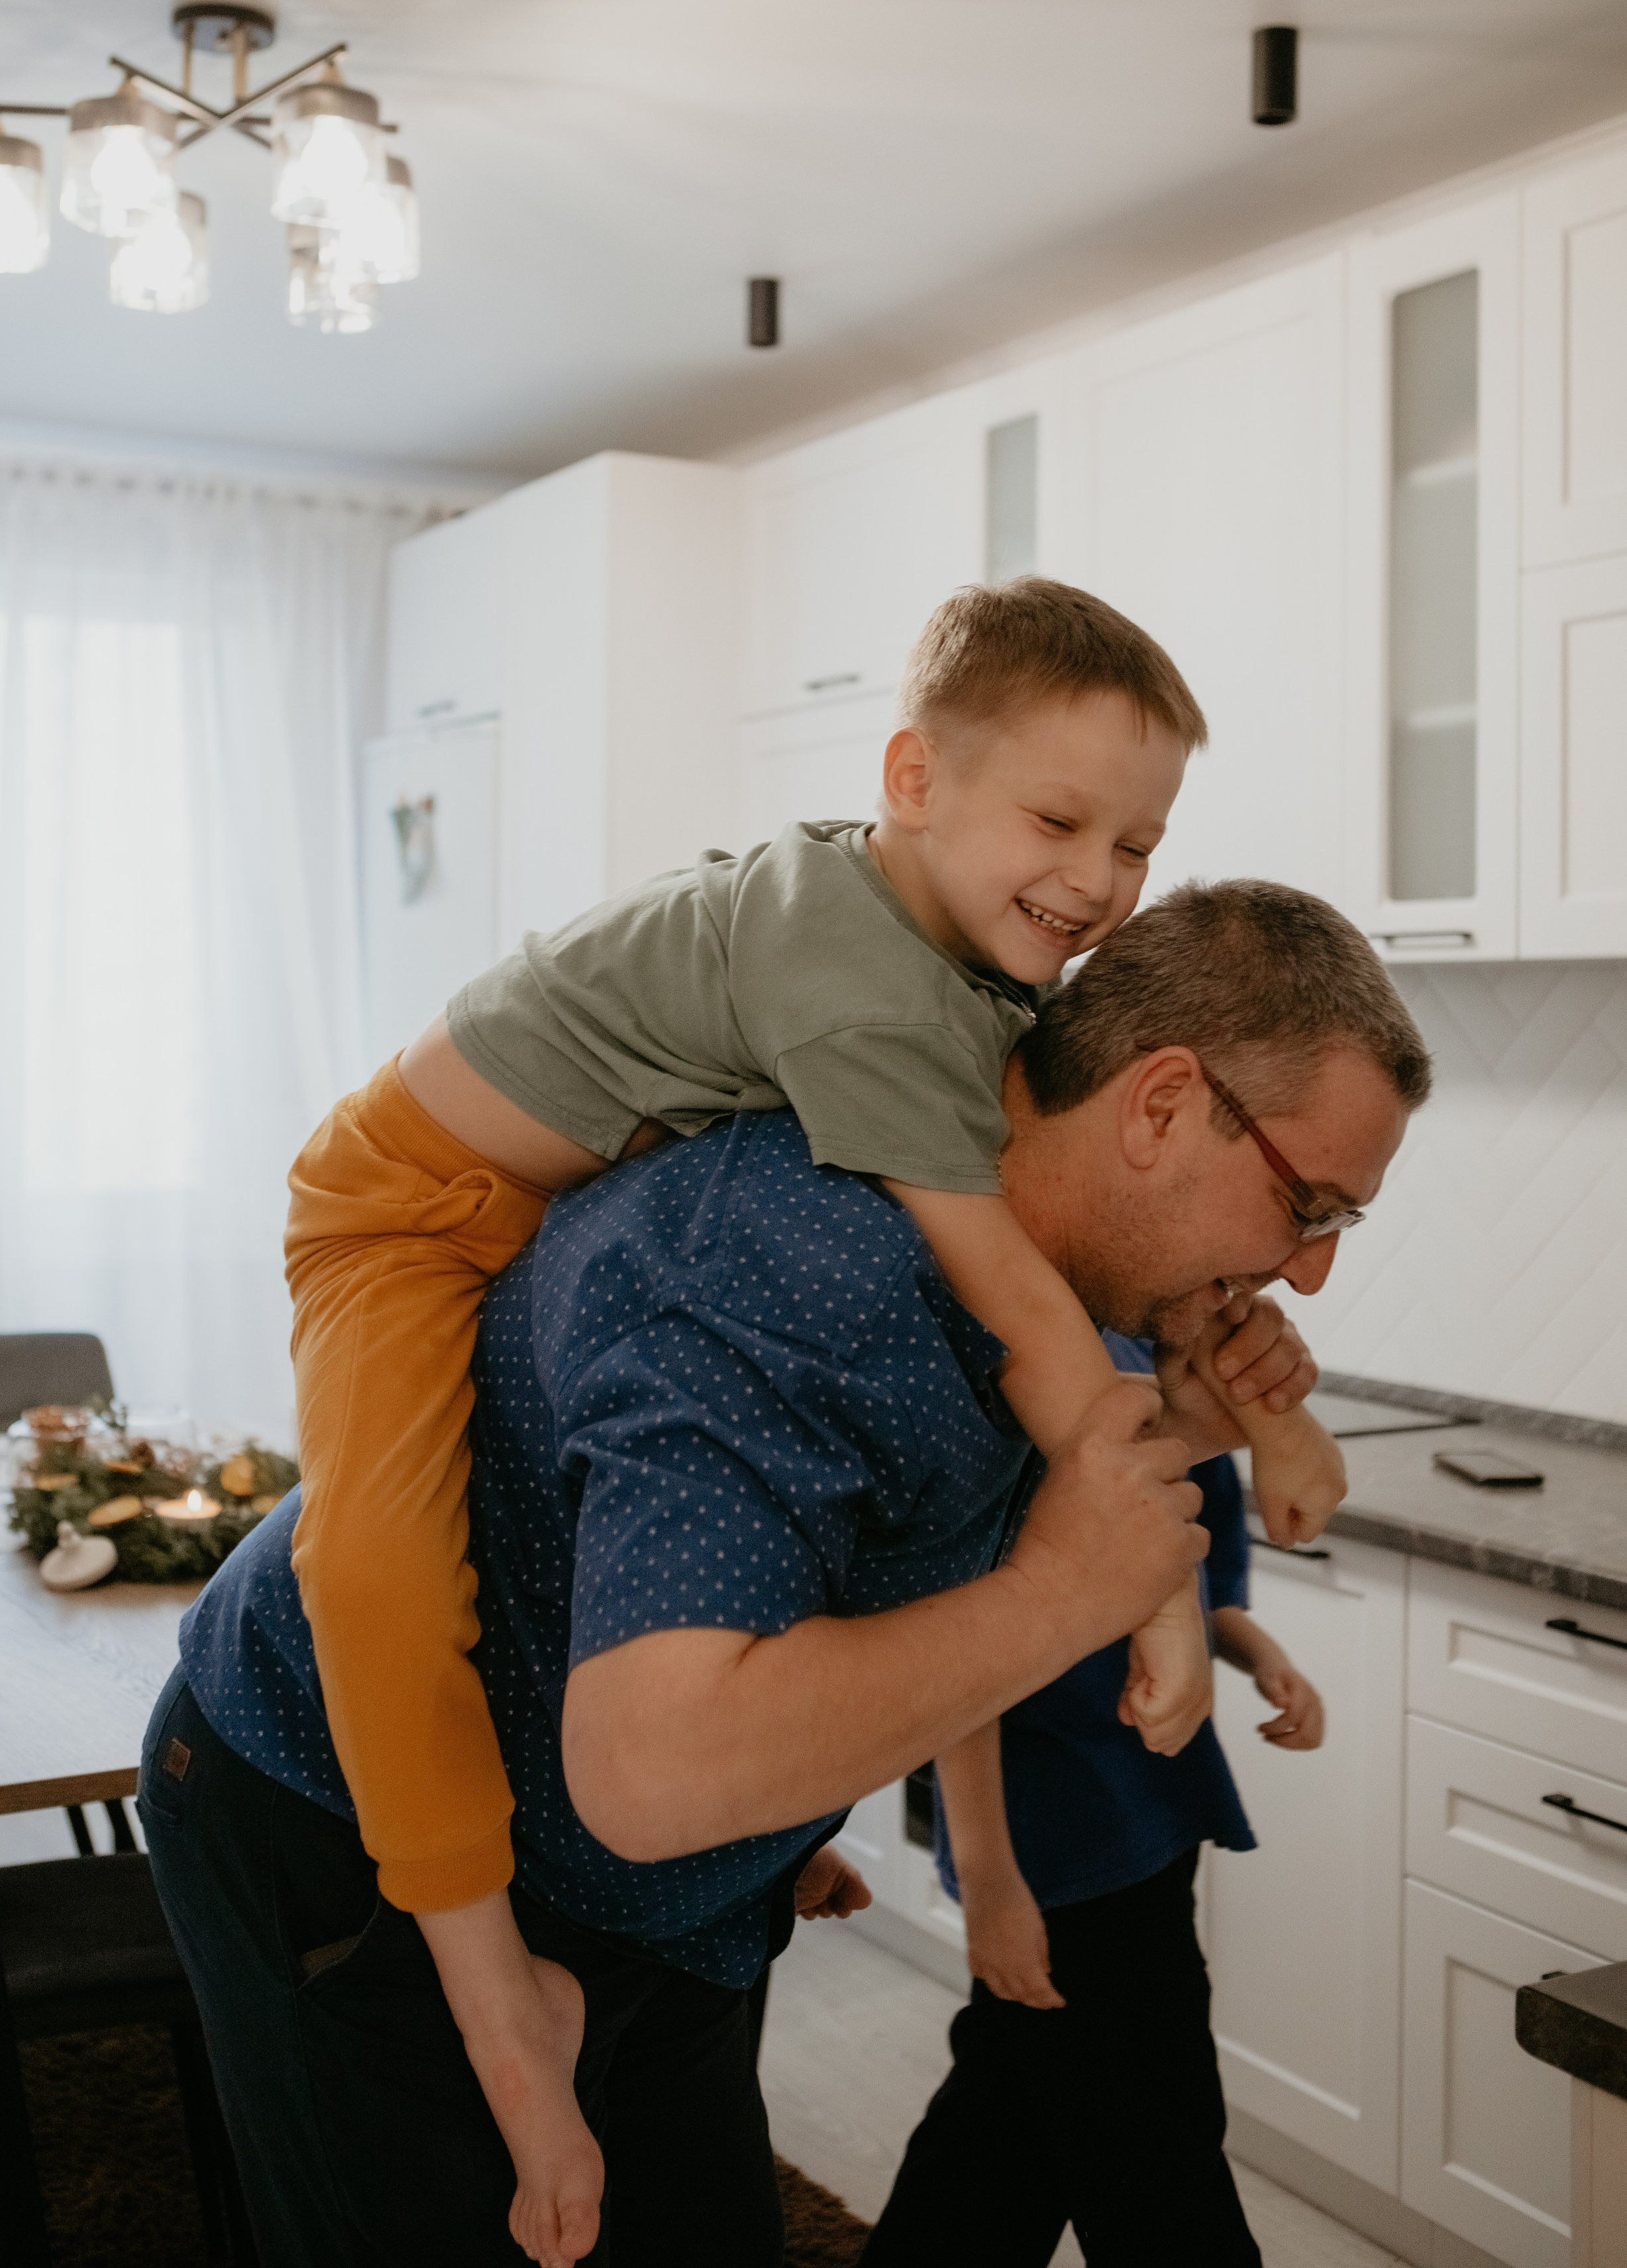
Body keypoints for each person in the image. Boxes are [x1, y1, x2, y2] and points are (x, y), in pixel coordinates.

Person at [138, 876, 1426, 2268]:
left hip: (661, 1887)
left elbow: (886, 1531)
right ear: (1160, 1103)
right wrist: (1060, 1593)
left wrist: (1176, 1435)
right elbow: (652, 1770)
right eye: (1307, 1204)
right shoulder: (784, 1263)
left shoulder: (1062, 1274)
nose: (1308, 1271)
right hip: (336, 1804)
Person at [282, 583, 1346, 2259]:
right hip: (399, 1208)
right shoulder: (861, 1034)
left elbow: (966, 1426)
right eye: (1059, 822)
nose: (1095, 879)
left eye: (1136, 845)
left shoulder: (977, 994)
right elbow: (1023, 1320)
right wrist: (1133, 1588)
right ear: (910, 779)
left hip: (549, 1219)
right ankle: (496, 2006)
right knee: (374, 1578)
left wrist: (1234, 1436)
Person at [860, 1332, 1327, 2268]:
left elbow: (1198, 1586)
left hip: (1157, 1819)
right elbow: (961, 1664)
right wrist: (989, 1878)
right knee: (1160, 2167)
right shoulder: (1037, 1384)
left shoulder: (1172, 1379)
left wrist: (1260, 1655)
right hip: (1057, 1847)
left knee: (1007, 2135)